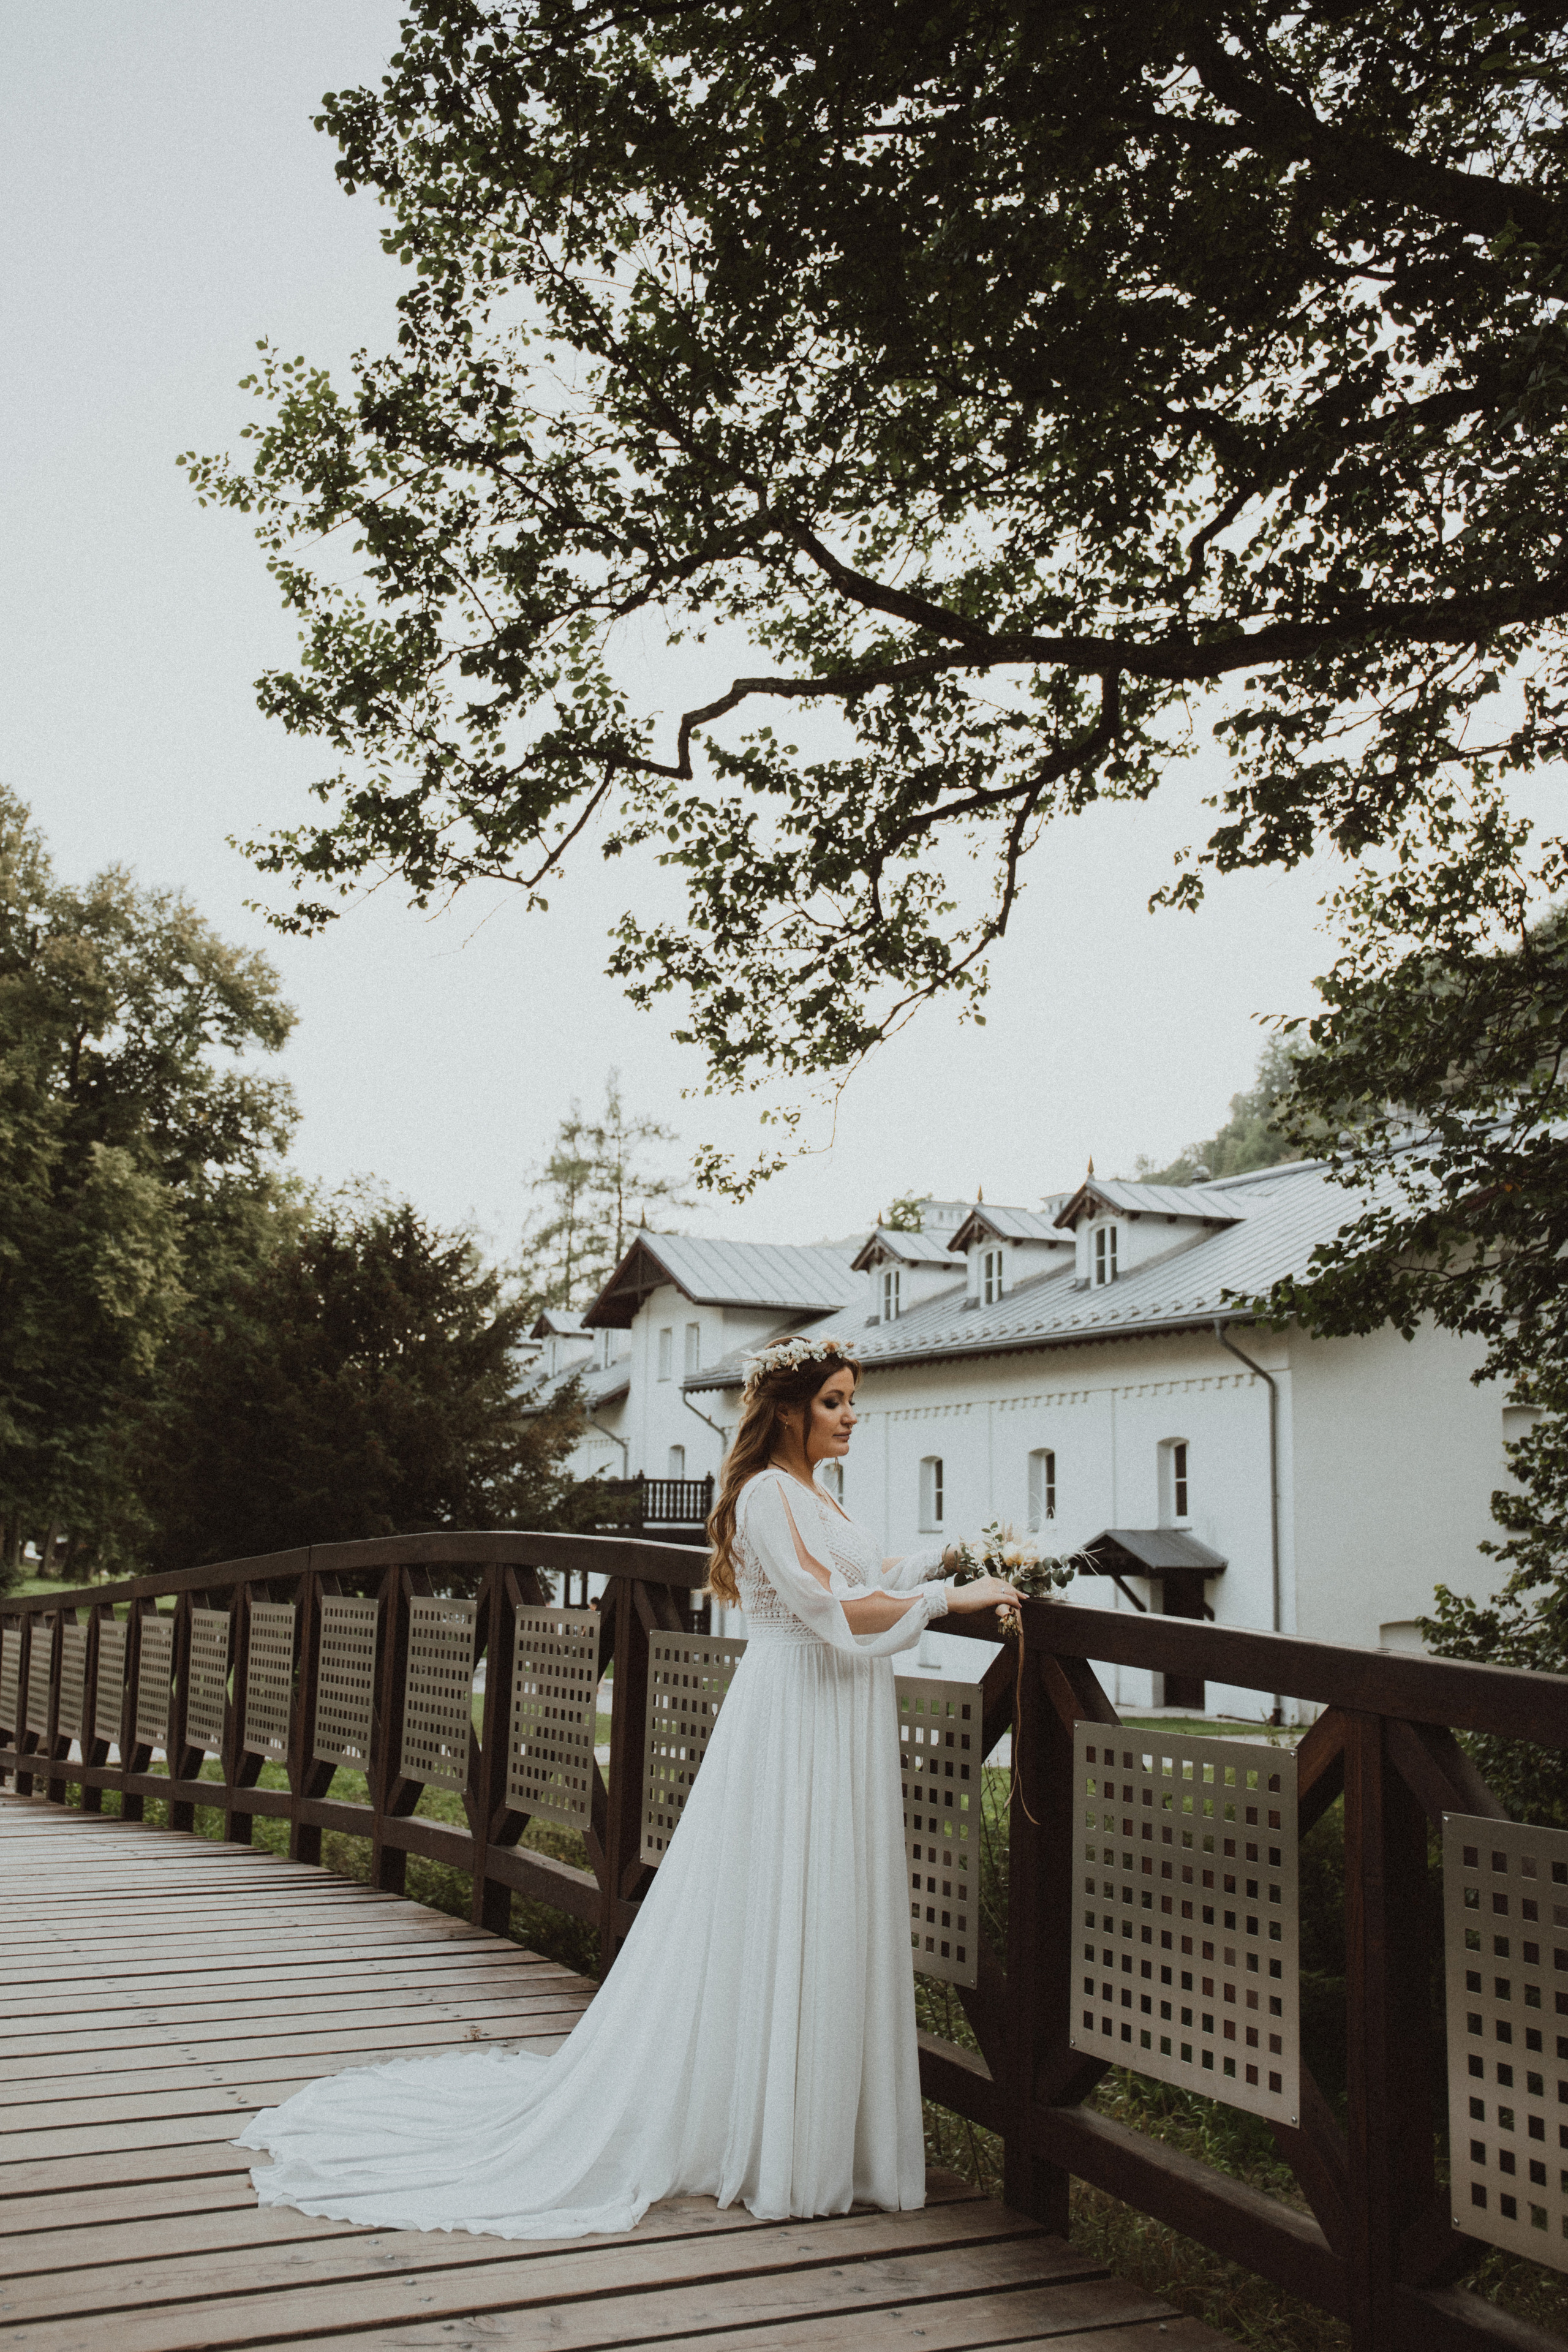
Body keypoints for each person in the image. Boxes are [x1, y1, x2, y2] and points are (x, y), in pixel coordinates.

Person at [237, 1332, 1022, 2239]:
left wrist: (949, 1564)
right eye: (837, 1402)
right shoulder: (767, 1494)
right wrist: (946, 1605)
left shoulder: (816, 1494)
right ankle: (769, 2132)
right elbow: (825, 1608)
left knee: (828, 1900)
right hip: (794, 1714)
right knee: (777, 1896)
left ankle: (816, 2127)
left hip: (837, 1711)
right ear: (790, 1412)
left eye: (853, 1400)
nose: (854, 1415)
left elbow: (866, 1579)